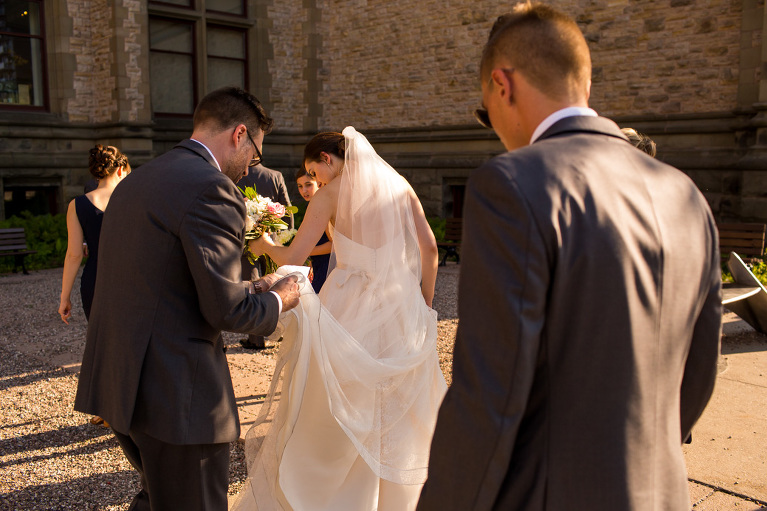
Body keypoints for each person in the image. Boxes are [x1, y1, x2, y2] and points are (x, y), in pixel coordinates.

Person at [417, 4, 722, 511]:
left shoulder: (512, 183)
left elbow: (490, 396)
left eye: (486, 106)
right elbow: (699, 371)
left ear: (501, 85)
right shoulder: (684, 193)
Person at [73, 86, 300, 511]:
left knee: (156, 497)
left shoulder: (137, 179)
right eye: (254, 154)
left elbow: (160, 277)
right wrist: (281, 299)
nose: (251, 166)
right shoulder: (212, 188)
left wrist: (251, 286)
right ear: (239, 135)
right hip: (175, 392)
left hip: (120, 378)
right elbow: (227, 310)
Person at [231, 127, 446, 511]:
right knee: (397, 410)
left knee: (336, 403)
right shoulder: (400, 185)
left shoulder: (330, 195)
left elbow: (295, 255)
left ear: (326, 160)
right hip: (402, 307)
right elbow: (429, 247)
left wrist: (262, 244)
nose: (316, 180)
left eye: (314, 172)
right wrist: (423, 302)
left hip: (350, 305)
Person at [59, 144, 130, 428]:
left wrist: (64, 297)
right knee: (131, 343)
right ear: (121, 169)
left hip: (95, 280)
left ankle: (108, 408)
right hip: (131, 280)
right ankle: (131, 408)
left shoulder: (76, 205)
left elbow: (74, 254)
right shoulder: (134, 198)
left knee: (103, 344)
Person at [237, 163, 294, 349]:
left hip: (248, 240)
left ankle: (256, 339)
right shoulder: (274, 175)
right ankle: (280, 334)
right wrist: (287, 235)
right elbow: (286, 210)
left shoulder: (236, 174)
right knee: (278, 281)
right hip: (272, 240)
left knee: (254, 285)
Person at [295, 166, 332, 293]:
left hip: (328, 268)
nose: (304, 190)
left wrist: (305, 251)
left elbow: (333, 245)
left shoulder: (324, 207)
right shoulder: (312, 205)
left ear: (319, 183)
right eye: (300, 186)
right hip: (317, 266)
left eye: (308, 185)